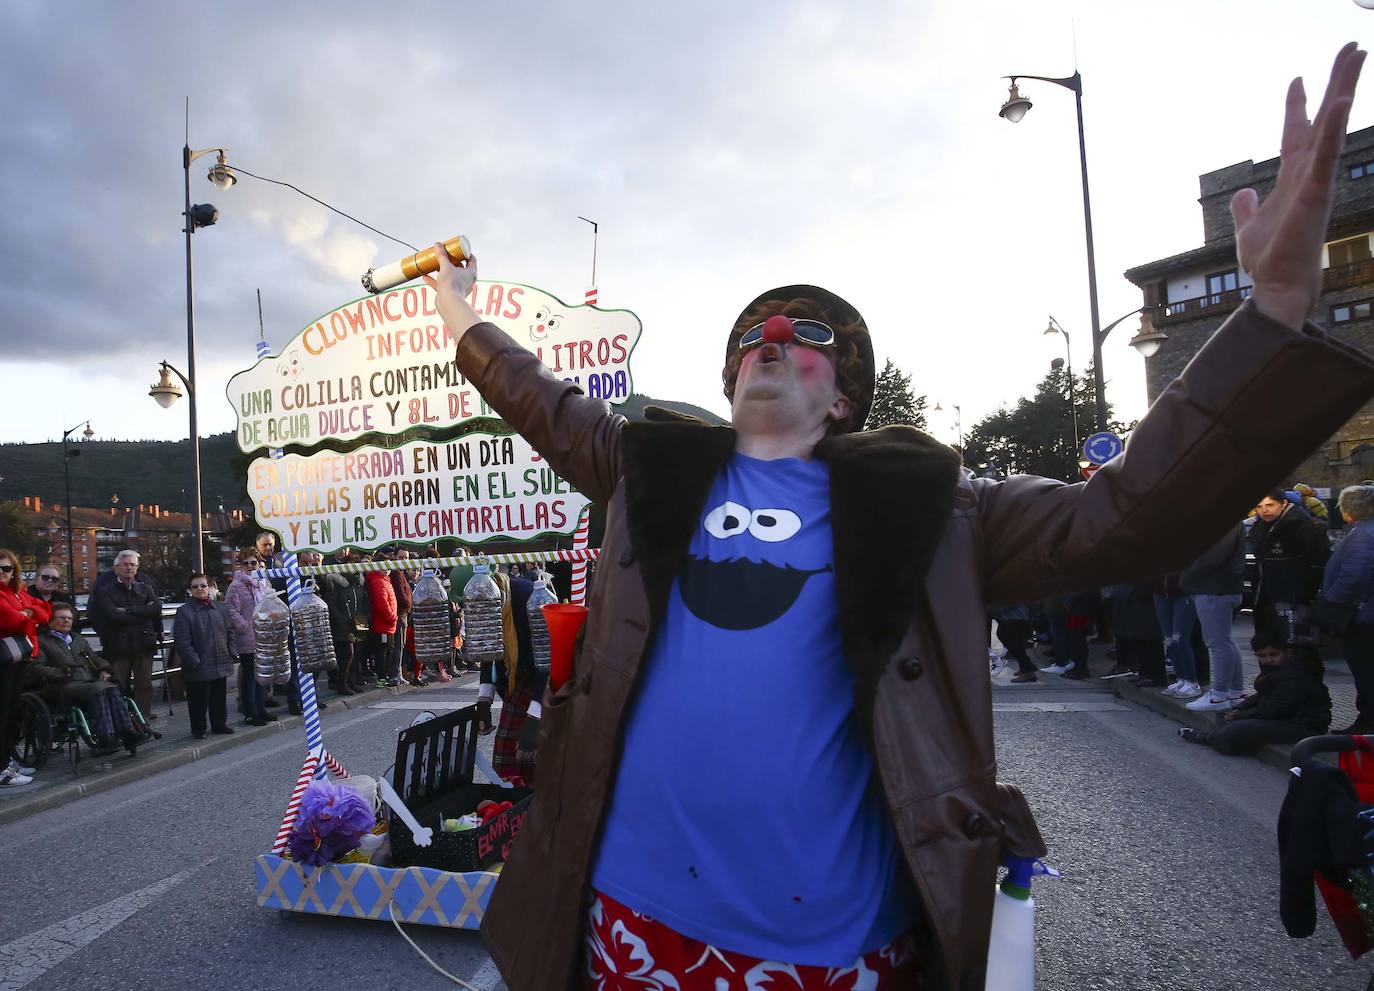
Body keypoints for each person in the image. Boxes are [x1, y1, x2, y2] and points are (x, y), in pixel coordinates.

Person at [428, 45, 1372, 990]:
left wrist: (1272, 312)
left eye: (808, 335)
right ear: (729, 377)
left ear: (844, 397)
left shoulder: (934, 508)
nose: (773, 338)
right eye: (752, 336)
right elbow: (542, 398)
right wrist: (461, 314)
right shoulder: (651, 475)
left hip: (832, 954)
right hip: (629, 925)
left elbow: (1130, 513)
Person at [1179, 630, 1330, 755]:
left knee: (1235, 727)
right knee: (1223, 715)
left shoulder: (1295, 674)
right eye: (1263, 656)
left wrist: (1240, 715)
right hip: (1285, 717)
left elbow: (1273, 709)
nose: (1269, 660)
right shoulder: (1278, 669)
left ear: (1287, 652)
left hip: (1304, 725)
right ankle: (1227, 738)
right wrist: (1240, 708)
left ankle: (1207, 738)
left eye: (1274, 654)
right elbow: (1263, 695)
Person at [32, 602, 142, 756]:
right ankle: (106, 737)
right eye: (62, 618)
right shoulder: (42, 641)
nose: (67, 621)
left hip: (87, 681)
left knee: (111, 687)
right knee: (99, 689)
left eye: (69, 618)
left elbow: (95, 658)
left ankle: (126, 731)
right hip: (64, 684)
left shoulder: (78, 639)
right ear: (50, 621)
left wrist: (104, 669)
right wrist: (61, 672)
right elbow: (36, 667)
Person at [478, 568, 545, 782]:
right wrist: (484, 701)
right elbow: (488, 648)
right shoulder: (484, 605)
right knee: (504, 762)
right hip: (516, 682)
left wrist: (535, 720)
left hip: (546, 681)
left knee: (540, 759)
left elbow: (548, 660)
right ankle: (507, 799)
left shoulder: (529, 598)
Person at [1320, 484, 1374, 733]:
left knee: (1365, 669)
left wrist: (1332, 599)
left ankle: (1367, 722)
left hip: (1362, 614)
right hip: (1365, 611)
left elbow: (1353, 576)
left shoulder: (1363, 535)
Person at [86, 549, 161, 719]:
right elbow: (112, 615)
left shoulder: (145, 586)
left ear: (137, 567)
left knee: (144, 685)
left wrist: (128, 610)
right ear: (116, 567)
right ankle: (121, 718)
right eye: (125, 564)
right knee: (119, 684)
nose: (129, 568)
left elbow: (156, 608)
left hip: (144, 644)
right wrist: (143, 612)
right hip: (118, 644)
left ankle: (143, 717)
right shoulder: (105, 589)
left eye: (133, 564)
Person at [1181, 523, 1247, 711]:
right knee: (1225, 641)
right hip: (1217, 587)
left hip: (1214, 588)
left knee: (1218, 643)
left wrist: (1186, 575)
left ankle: (1218, 695)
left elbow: (1211, 558)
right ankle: (1235, 691)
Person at [1252, 487, 1331, 641]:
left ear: (1284, 504)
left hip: (1292, 600)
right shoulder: (1263, 526)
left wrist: (1303, 597)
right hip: (1267, 597)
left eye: (1269, 505)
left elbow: (1318, 564)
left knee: (1294, 645)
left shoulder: (1302, 527)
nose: (1264, 510)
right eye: (1259, 506)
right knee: (1268, 644)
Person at [0, 546, 49, 786]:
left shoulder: (19, 592)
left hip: (20, 657)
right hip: (4, 659)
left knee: (12, 713)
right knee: (2, 712)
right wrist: (28, 615)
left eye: (6, 568)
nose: (2, 572)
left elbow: (45, 611)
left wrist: (27, 612)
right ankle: (2, 770)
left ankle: (7, 760)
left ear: (14, 570)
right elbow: (10, 619)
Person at [173, 573, 237, 740]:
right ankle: (198, 729)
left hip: (221, 660)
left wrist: (231, 651)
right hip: (199, 664)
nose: (199, 589)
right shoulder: (184, 612)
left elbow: (230, 632)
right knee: (198, 701)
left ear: (209, 587)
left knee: (219, 697)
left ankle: (219, 724)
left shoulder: (221, 608)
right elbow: (182, 641)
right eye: (195, 586)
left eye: (203, 585)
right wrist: (194, 661)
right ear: (190, 590)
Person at [223, 549, 278, 726]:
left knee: (262, 675)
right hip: (248, 637)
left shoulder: (263, 582)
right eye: (245, 563)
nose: (249, 566)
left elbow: (270, 604)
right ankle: (250, 712)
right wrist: (245, 627)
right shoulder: (236, 586)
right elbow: (230, 611)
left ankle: (261, 709)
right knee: (250, 676)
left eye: (253, 562)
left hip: (264, 635)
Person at [316, 552, 360, 696]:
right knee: (345, 655)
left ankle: (349, 681)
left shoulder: (356, 583)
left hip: (354, 623)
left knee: (352, 655)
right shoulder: (336, 583)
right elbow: (331, 603)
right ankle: (340, 682)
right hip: (340, 625)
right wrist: (342, 619)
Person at [1154, 572, 1201, 698]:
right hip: (1160, 591)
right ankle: (1181, 678)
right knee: (1169, 640)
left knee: (1180, 639)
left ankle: (1192, 681)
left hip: (1184, 592)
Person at [365, 562, 400, 689]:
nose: (386, 570)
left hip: (387, 624)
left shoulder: (384, 580)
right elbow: (382, 603)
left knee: (387, 651)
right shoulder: (378, 582)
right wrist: (392, 617)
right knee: (382, 652)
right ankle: (382, 678)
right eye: (383, 567)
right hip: (383, 624)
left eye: (388, 568)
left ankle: (385, 677)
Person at [991, 604, 1037, 683]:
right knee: (1015, 645)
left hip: (1016, 617)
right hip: (1015, 616)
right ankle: (1026, 667)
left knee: (1015, 645)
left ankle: (1027, 671)